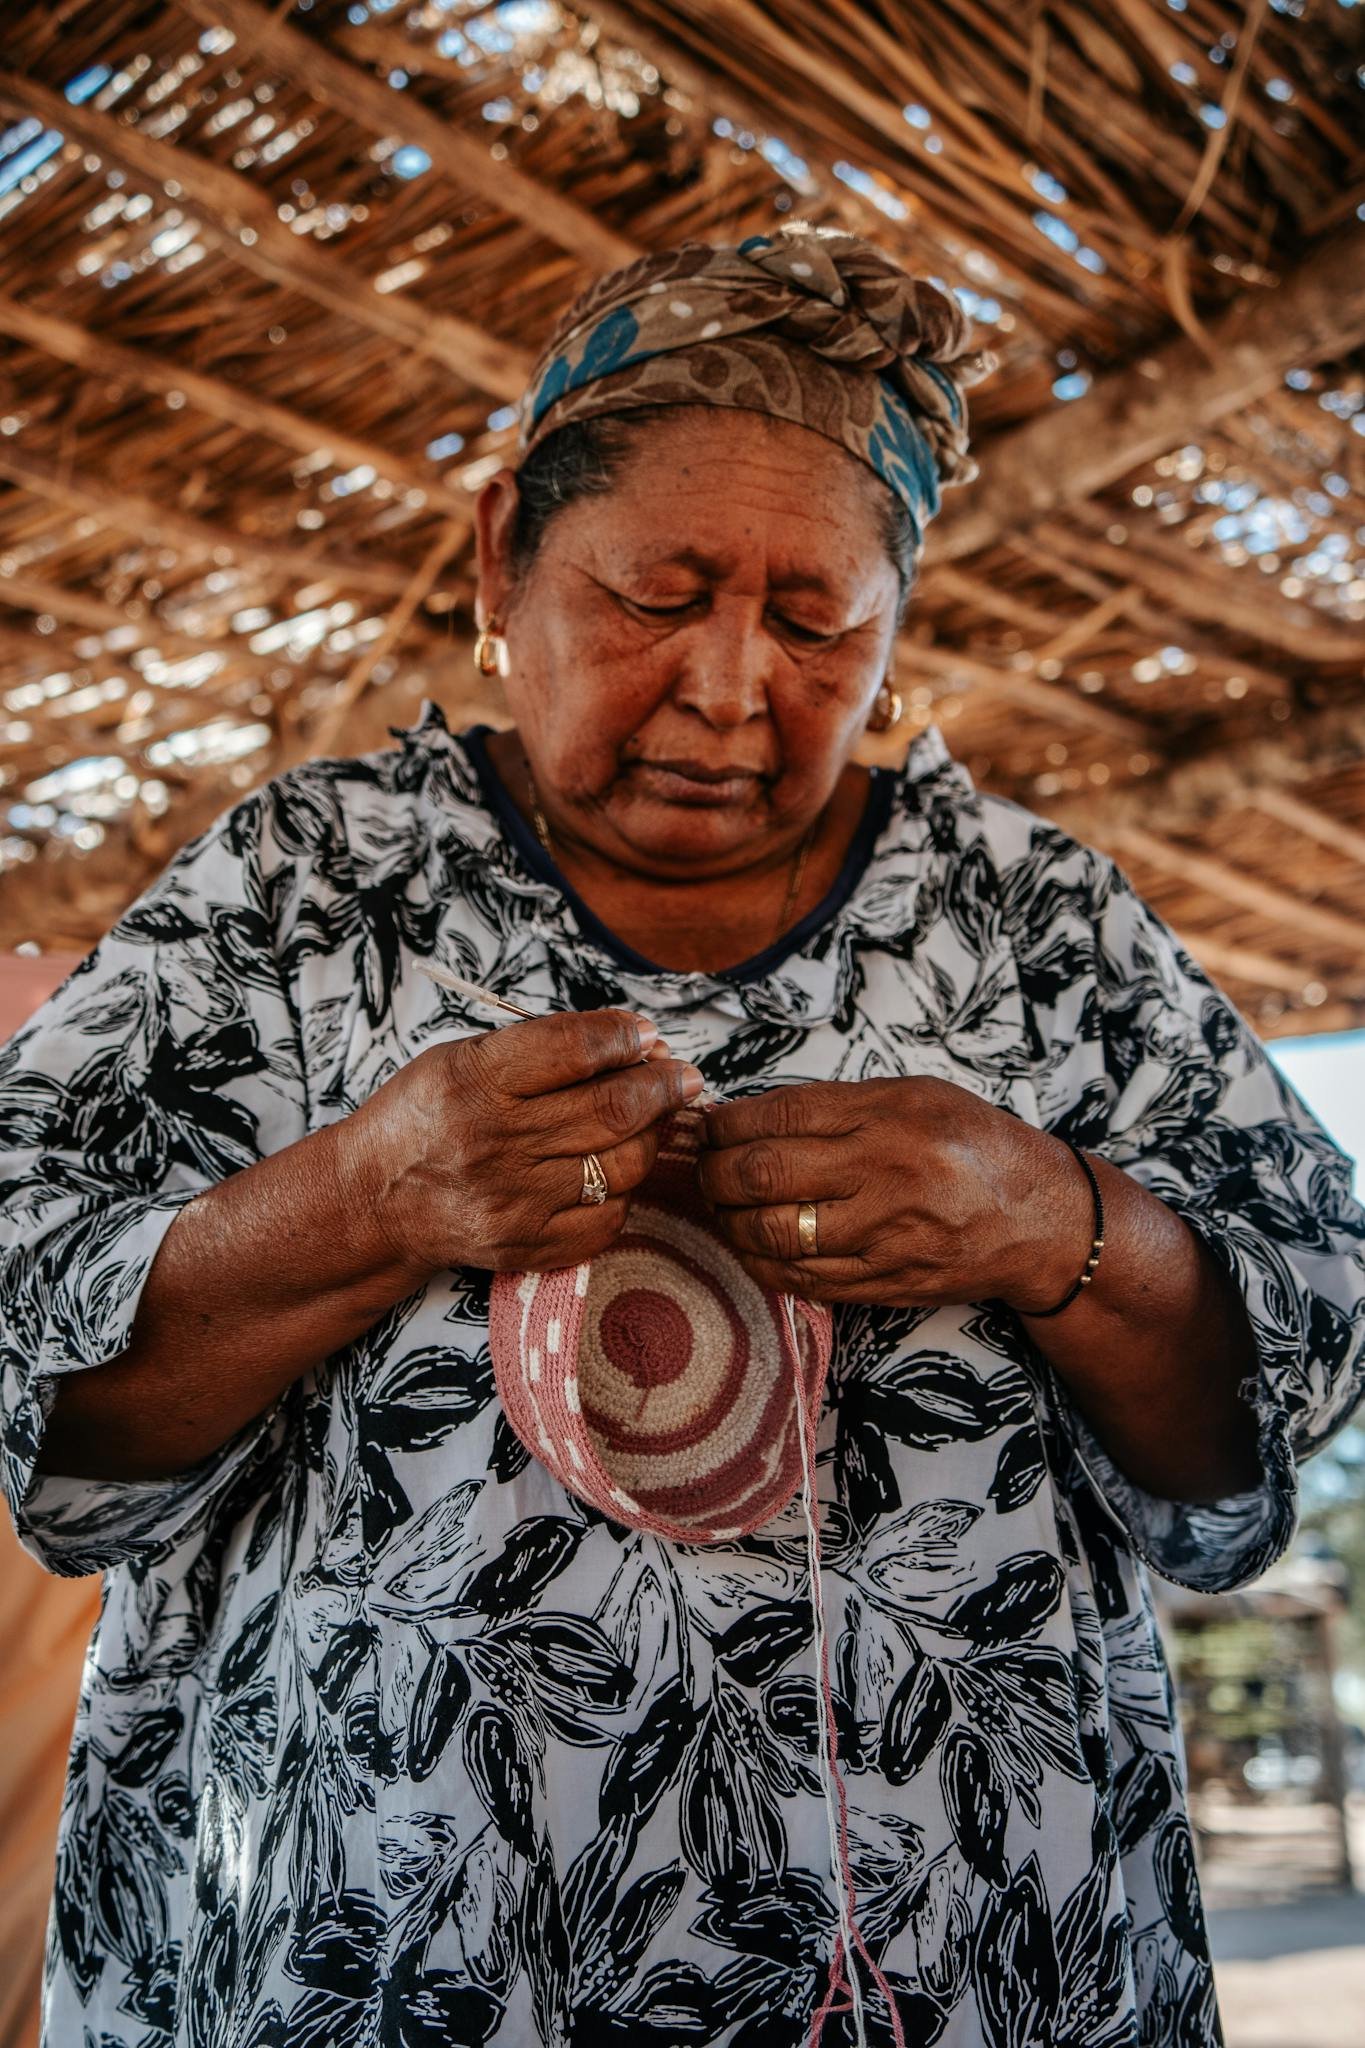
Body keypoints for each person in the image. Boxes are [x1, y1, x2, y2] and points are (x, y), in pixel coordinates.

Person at [2, 223, 1362, 2048]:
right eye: (655, 592)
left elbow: (1289, 1356)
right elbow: (34, 1335)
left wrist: (1057, 1223)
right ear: (503, 558)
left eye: (815, 622)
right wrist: (363, 1195)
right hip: (391, 1965)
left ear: (889, 637)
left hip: (967, 1976)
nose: (731, 687)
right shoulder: (307, 889)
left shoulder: (1038, 927)